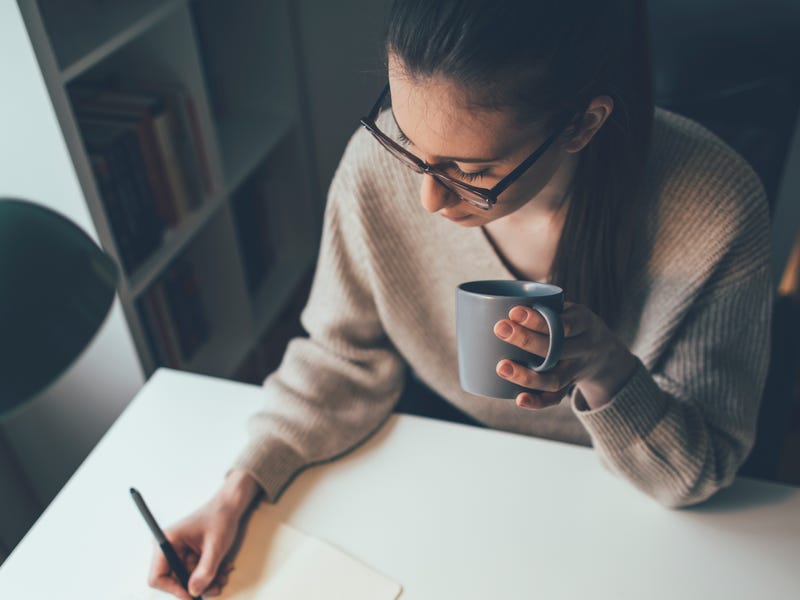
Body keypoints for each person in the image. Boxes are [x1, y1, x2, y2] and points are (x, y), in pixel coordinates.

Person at [149, 0, 772, 597]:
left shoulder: (715, 207)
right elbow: (341, 355)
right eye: (408, 140)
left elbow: (699, 466)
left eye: (470, 173)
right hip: (447, 479)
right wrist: (237, 491)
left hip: (628, 524)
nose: (426, 198)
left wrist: (609, 372)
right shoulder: (378, 165)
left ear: (584, 124)